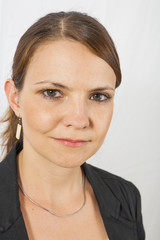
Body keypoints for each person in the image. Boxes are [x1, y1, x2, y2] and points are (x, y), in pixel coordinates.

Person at [0, 11, 145, 240]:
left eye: (98, 96)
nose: (79, 120)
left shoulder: (126, 196)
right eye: (52, 92)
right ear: (15, 98)